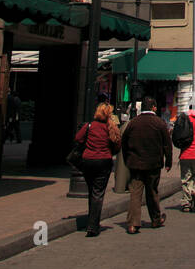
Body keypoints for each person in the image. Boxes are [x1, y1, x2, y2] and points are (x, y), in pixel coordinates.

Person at [120, 95, 172, 233]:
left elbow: (124, 143)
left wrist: (127, 159)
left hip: (135, 164)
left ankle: (133, 223)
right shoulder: (159, 123)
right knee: (152, 191)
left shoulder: (133, 123)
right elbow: (167, 145)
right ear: (153, 107)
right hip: (153, 164)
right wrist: (168, 161)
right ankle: (156, 219)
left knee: (135, 193)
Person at [73, 100, 121, 237]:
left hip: (88, 161)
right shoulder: (110, 127)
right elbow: (117, 144)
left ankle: (91, 220)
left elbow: (78, 138)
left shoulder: (89, 126)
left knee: (92, 190)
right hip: (103, 161)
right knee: (98, 193)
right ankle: (93, 226)